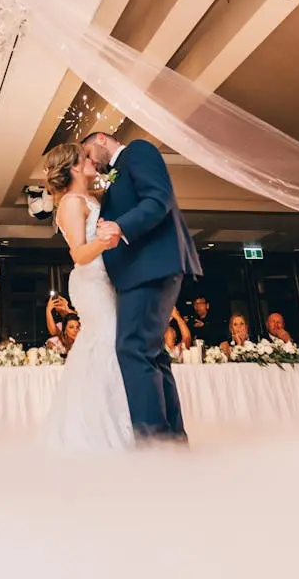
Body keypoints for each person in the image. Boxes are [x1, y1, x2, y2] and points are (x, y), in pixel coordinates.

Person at [82, 131, 201, 445]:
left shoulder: (138, 151)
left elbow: (159, 198)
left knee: (132, 348)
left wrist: (121, 226)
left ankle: (153, 443)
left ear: (103, 139)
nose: (90, 161)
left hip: (150, 268)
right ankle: (171, 441)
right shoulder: (116, 174)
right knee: (152, 354)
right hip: (140, 272)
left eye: (89, 153)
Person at [40, 143, 133, 449]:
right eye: (86, 157)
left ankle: (110, 422)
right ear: (75, 166)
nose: (93, 160)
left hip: (105, 279)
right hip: (90, 280)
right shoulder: (70, 202)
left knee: (106, 345)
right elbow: (78, 253)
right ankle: (95, 432)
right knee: (106, 340)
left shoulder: (92, 196)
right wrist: (107, 241)